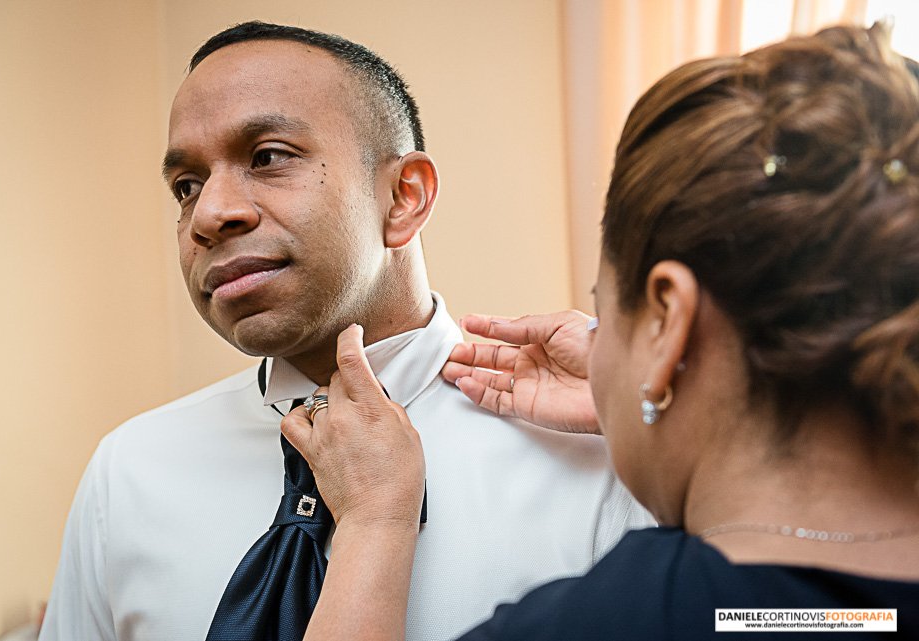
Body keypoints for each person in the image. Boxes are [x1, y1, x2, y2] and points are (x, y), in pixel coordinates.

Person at [281, 23, 919, 640]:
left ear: (668, 319)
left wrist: (374, 522)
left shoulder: (621, 621)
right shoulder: (847, 609)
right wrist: (651, 399)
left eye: (605, 312)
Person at [38, 21, 651, 641]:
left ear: (404, 196)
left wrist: (652, 405)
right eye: (186, 187)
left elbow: (750, 618)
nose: (210, 214)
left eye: (267, 157)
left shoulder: (603, 452)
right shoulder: (128, 471)